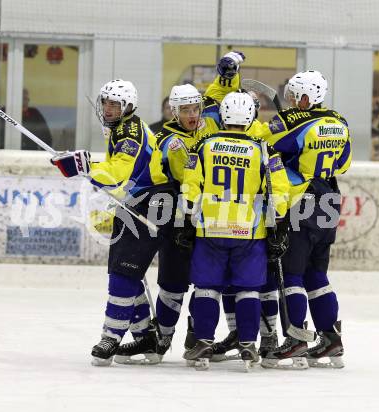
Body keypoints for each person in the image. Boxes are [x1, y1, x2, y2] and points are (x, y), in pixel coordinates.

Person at [113, 51, 253, 364]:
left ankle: (200, 336)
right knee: (173, 284)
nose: (192, 114)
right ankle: (161, 340)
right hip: (177, 219)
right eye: (185, 110)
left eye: (195, 108)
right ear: (173, 111)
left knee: (211, 282)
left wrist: (228, 72)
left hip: (210, 220)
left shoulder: (209, 125)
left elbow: (221, 96)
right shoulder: (165, 138)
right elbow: (148, 174)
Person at [51, 79, 174, 366]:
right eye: (105, 102)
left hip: (150, 204)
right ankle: (145, 337)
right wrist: (85, 164)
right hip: (135, 203)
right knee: (125, 273)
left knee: (123, 275)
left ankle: (111, 337)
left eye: (114, 104)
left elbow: (119, 171)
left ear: (128, 106)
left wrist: (85, 167)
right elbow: (119, 168)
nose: (108, 108)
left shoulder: (130, 130)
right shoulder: (121, 127)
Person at [182, 91, 289, 370]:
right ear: (251, 117)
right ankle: (248, 345)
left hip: (211, 229)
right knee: (248, 290)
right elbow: (278, 188)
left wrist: (188, 214)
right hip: (249, 232)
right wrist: (278, 218)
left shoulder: (204, 145)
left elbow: (190, 185)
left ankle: (204, 341)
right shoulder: (264, 148)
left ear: (223, 116)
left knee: (206, 289)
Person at [259, 70, 352, 370]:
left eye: (293, 95)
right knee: (316, 275)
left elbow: (264, 143)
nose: (290, 100)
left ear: (305, 97)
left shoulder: (289, 122)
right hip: (329, 198)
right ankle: (330, 337)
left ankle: (296, 337)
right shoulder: (340, 122)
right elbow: (345, 163)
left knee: (292, 272)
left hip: (302, 199)